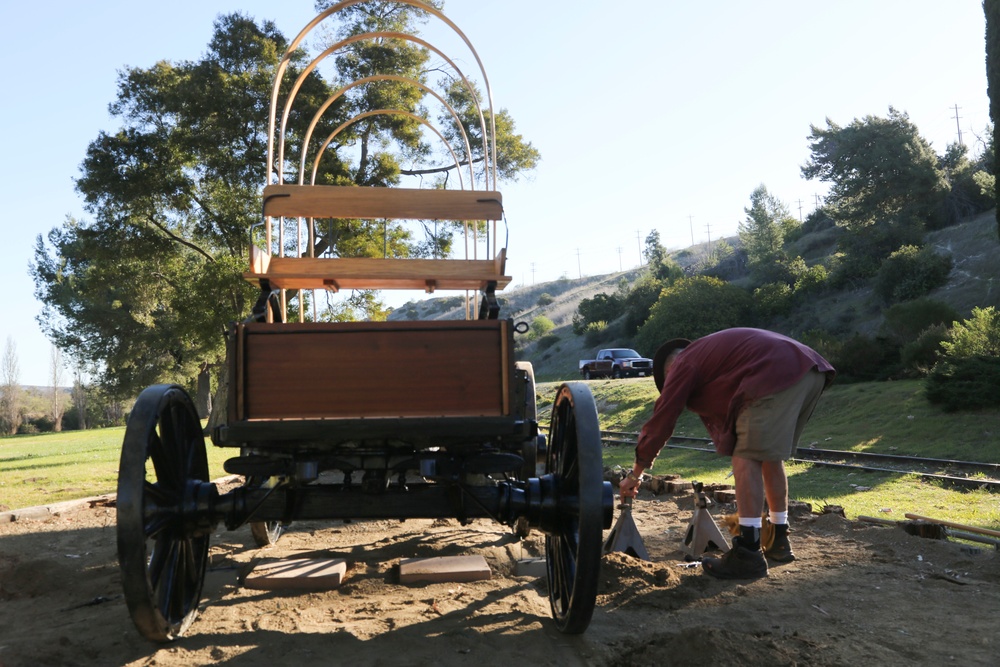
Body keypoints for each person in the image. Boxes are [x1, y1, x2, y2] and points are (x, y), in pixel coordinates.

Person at [618, 328, 835, 579]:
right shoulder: (712, 357)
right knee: (769, 457)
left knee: (745, 457)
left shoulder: (683, 364)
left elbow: (663, 419)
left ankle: (748, 553)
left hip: (774, 373)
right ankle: (778, 540)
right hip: (808, 370)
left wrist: (635, 474)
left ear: (670, 370)